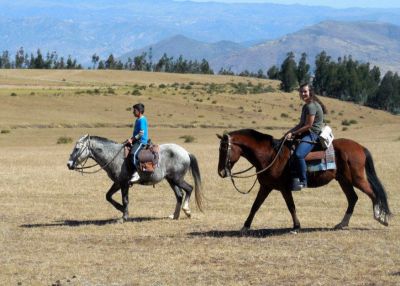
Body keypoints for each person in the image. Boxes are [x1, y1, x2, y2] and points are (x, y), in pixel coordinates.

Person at [285, 83, 327, 191]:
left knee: (298, 154)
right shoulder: (306, 106)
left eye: (305, 91)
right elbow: (301, 124)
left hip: (313, 134)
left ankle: (303, 181)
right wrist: (289, 132)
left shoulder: (311, 106)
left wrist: (294, 134)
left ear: (310, 92)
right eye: (301, 91)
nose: (303, 93)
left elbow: (308, 125)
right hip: (307, 132)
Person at [127, 103, 148, 184]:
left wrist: (132, 139)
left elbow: (141, 133)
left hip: (141, 141)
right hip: (136, 141)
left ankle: (137, 173)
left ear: (139, 111)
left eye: (134, 110)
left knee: (133, 154)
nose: (133, 112)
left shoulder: (142, 119)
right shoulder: (138, 119)